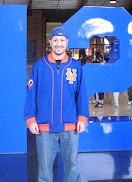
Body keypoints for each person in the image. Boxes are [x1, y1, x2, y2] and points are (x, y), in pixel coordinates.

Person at [24, 27, 90, 182]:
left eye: (62, 40)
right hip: (45, 128)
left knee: (72, 168)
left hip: (70, 127)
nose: (58, 44)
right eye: (55, 40)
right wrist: (30, 119)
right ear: (50, 42)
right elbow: (31, 94)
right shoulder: (40, 65)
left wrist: (82, 118)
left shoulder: (75, 66)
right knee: (45, 170)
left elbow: (82, 94)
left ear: (67, 42)